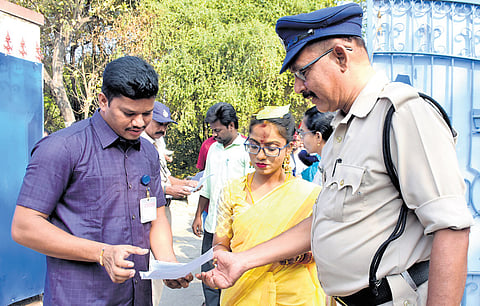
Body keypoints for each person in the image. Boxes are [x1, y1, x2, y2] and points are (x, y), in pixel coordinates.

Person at [198, 3, 473, 305]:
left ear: (341, 56)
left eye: (303, 72)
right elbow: (323, 220)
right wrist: (243, 260)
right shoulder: (346, 125)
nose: (297, 87)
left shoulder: (403, 114)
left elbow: (451, 228)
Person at [11, 56, 192, 305]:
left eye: (146, 114)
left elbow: (156, 216)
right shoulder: (62, 148)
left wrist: (168, 262)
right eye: (129, 113)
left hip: (137, 296)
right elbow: (24, 227)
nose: (139, 123)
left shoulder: (148, 152)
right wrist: (101, 253)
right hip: (81, 296)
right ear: (103, 101)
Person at [214, 105, 327, 305]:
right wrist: (221, 261)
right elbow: (221, 244)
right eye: (254, 146)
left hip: (295, 296)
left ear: (290, 147)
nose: (261, 155)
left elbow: (324, 250)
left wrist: (297, 256)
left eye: (272, 148)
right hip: (242, 294)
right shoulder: (233, 191)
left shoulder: (311, 195)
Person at [191, 102, 253, 306]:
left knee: (231, 275)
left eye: (217, 130)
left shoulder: (247, 151)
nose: (214, 135)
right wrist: (198, 215)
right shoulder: (213, 150)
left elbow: (251, 191)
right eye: (212, 130)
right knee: (208, 272)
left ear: (232, 125)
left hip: (236, 229)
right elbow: (207, 186)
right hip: (212, 225)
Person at [141, 101, 198, 306]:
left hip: (162, 211)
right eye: (159, 123)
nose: (163, 129)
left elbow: (165, 178)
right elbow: (143, 186)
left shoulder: (156, 145)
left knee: (159, 266)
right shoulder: (140, 145)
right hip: (146, 212)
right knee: (147, 266)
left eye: (166, 125)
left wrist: (186, 183)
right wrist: (168, 189)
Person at [298, 107, 334, 184]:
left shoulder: (328, 169)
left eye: (303, 133)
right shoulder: (323, 165)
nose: (301, 139)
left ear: (318, 137)